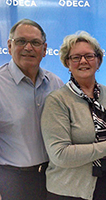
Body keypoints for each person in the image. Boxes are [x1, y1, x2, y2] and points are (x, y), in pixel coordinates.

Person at [41, 31, 106, 200]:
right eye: (76, 57)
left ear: (98, 61)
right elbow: (60, 154)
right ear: (67, 63)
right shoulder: (57, 101)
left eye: (89, 56)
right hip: (69, 191)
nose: (83, 61)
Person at [0, 19, 63, 200]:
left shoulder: (56, 83)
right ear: (10, 46)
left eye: (35, 43)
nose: (28, 47)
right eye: (21, 41)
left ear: (44, 50)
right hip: (13, 180)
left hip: (54, 176)